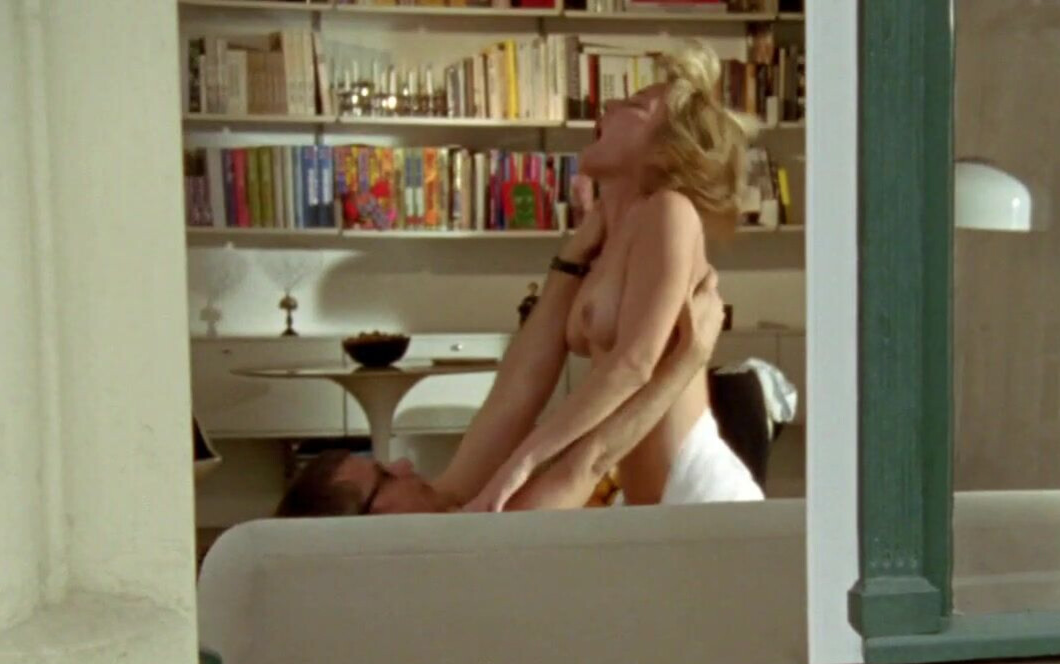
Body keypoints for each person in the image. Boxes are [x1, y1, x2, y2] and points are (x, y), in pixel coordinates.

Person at [276, 42, 761, 519]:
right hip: (649, 502)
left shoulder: (670, 212)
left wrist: (522, 463)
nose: (609, 104)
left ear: (668, 149)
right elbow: (522, 384)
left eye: (633, 106)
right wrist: (572, 255)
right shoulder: (606, 239)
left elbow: (636, 364)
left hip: (699, 490)